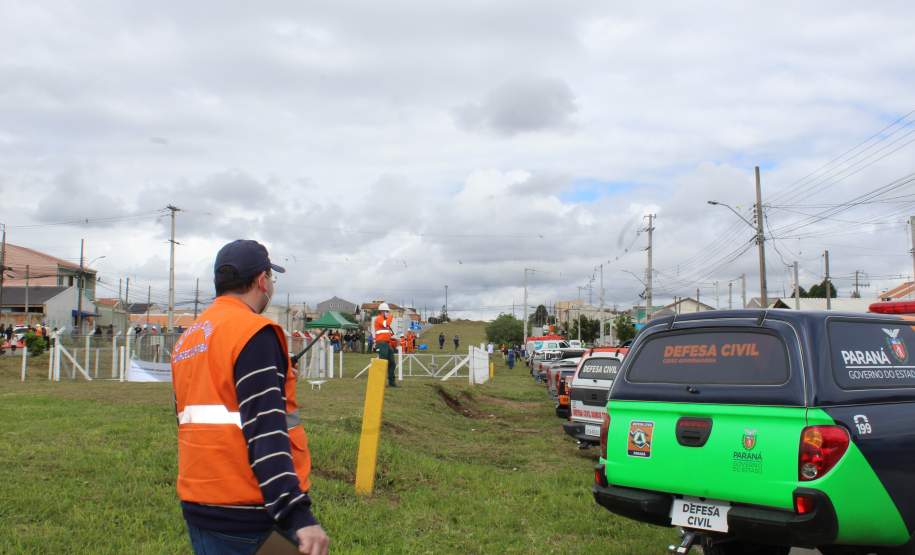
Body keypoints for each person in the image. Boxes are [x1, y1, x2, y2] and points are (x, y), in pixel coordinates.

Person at [170, 239, 329, 555]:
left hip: (199, 504)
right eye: (271, 278)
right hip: (249, 513)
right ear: (261, 280)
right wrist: (297, 514)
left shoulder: (189, 338)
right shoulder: (254, 332)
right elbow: (266, 430)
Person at [372, 302, 397, 387]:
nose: (388, 313)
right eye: (387, 311)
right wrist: (391, 317)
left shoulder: (385, 320)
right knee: (383, 362)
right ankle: (380, 382)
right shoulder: (379, 318)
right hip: (381, 343)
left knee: (392, 363)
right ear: (382, 311)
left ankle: (392, 382)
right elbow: (386, 324)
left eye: (388, 311)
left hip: (386, 343)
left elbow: (388, 331)